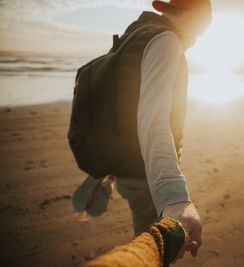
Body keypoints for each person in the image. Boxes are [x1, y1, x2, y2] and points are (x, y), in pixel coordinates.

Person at [72, 0, 212, 262]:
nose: (197, 38)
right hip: (143, 174)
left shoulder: (137, 33)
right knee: (154, 246)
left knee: (146, 238)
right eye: (202, 30)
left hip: (127, 165)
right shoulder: (167, 42)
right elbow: (153, 120)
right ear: (193, 20)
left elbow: (123, 100)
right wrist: (174, 198)